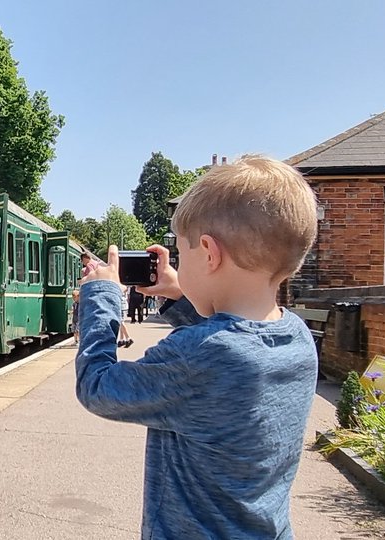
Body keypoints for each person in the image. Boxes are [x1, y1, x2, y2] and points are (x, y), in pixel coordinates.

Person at [74, 155, 318, 539]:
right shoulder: (297, 337)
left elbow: (97, 386)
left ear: (209, 252)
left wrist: (101, 295)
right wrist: (179, 290)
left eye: (183, 253)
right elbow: (233, 338)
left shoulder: (198, 355)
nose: (179, 264)